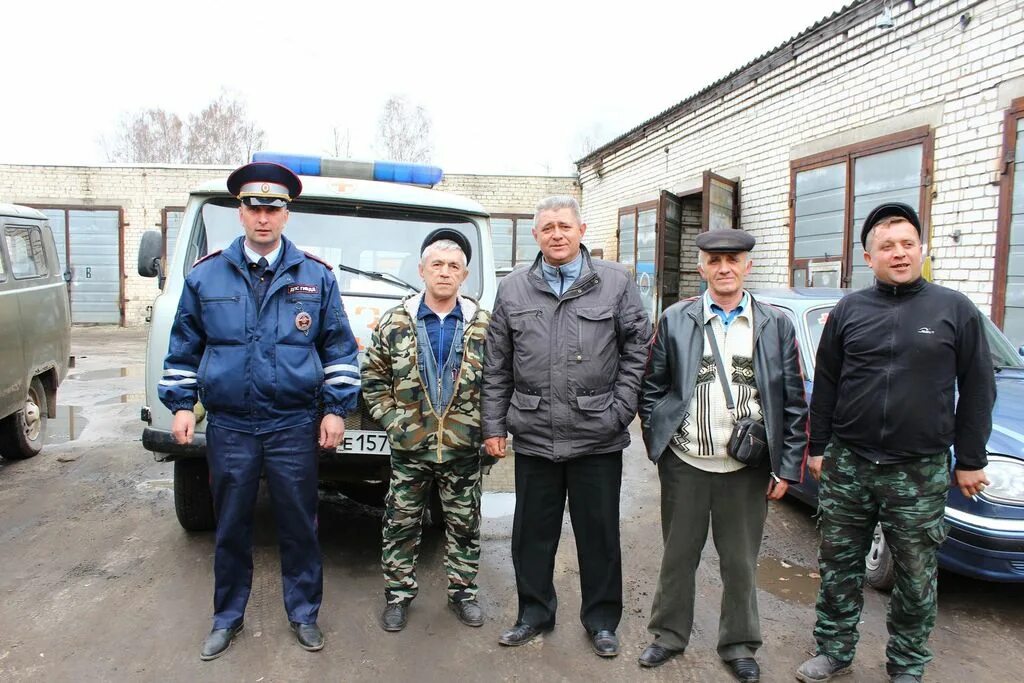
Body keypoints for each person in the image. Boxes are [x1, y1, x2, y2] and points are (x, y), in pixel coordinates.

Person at [159, 161, 361, 660]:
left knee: (298, 523)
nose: (263, 217)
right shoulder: (206, 276)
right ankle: (227, 617)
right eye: (254, 207)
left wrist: (336, 410)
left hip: (293, 423)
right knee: (230, 525)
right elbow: (183, 345)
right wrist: (183, 405)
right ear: (240, 211)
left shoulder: (316, 277)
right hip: (230, 424)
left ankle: (303, 614)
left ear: (286, 214)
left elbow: (339, 349)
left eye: (273, 208)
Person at [795, 203, 995, 683]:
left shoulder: (955, 309)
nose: (899, 253)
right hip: (850, 461)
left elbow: (979, 386)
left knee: (915, 573)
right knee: (839, 564)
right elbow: (826, 384)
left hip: (919, 468)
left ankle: (906, 664)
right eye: (887, 246)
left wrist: (970, 458)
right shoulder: (849, 310)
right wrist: (818, 447)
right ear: (870, 257)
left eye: (907, 244)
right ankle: (834, 651)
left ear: (921, 250)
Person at [482, 195, 652, 657]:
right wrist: (494, 425)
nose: (556, 234)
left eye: (564, 226)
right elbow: (496, 364)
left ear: (581, 231)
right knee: (532, 534)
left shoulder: (615, 282)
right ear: (535, 236)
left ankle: (601, 621)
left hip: (598, 434)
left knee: (599, 535)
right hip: (535, 432)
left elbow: (638, 348)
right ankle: (533, 614)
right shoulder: (514, 288)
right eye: (547, 227)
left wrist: (621, 409)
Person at [637, 229, 807, 682]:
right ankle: (668, 636)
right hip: (686, 464)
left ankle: (739, 644)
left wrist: (786, 466)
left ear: (748, 265)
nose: (724, 267)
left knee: (739, 562)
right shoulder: (676, 319)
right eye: (715, 260)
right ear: (701, 267)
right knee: (679, 556)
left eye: (733, 259)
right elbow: (652, 387)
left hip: (745, 469)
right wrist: (661, 445)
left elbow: (792, 399)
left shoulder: (776, 324)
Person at [361, 229, 490, 632]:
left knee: (464, 526)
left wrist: (488, 426)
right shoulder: (395, 322)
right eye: (437, 265)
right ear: (422, 271)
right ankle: (398, 596)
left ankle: (462, 595)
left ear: (464, 276)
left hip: (463, 448)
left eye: (454, 267)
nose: (445, 273)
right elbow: (373, 377)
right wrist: (394, 421)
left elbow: (502, 380)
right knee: (401, 522)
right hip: (410, 447)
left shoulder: (484, 325)